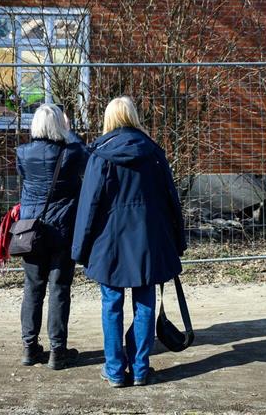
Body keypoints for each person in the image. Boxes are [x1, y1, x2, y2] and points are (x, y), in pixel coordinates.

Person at [72, 96, 186, 387]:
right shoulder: (154, 153)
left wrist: (79, 249)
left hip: (108, 243)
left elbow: (89, 206)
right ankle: (139, 369)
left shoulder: (101, 155)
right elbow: (171, 200)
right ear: (134, 116)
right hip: (148, 241)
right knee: (145, 300)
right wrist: (177, 241)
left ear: (109, 118)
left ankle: (113, 371)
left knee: (111, 302)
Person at [16, 103, 88, 370]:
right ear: (60, 125)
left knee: (32, 289)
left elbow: (25, 179)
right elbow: (88, 155)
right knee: (59, 290)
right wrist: (69, 132)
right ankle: (58, 351)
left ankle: (29, 347)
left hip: (31, 231)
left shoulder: (22, 153)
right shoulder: (71, 153)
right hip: (62, 231)